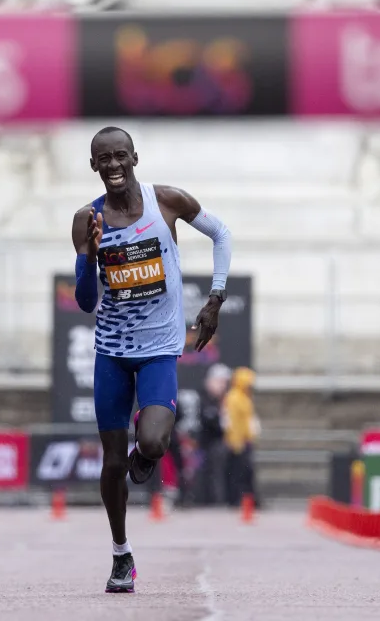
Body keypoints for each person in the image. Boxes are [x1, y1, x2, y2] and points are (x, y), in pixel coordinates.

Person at [71, 126, 232, 594]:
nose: (114, 165)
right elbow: (85, 302)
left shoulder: (167, 202)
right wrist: (91, 256)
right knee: (112, 464)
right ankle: (122, 554)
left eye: (121, 156)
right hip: (113, 353)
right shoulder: (87, 220)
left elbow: (221, 233)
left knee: (156, 442)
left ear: (135, 158)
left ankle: (147, 453)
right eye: (104, 159)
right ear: (94, 166)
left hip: (159, 349)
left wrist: (216, 298)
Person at [196, 363, 232, 506]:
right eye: (221, 382)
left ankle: (221, 499)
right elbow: (208, 421)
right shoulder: (202, 398)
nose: (223, 386)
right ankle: (213, 500)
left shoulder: (225, 399)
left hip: (220, 442)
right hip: (205, 443)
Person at [223, 366, 259, 507]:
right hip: (238, 442)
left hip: (245, 440)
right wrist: (235, 441)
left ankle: (247, 499)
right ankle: (237, 499)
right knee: (238, 471)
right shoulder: (234, 398)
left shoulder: (245, 397)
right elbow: (232, 421)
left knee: (245, 471)